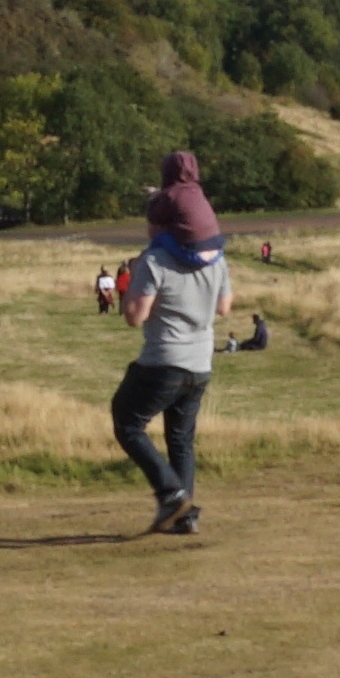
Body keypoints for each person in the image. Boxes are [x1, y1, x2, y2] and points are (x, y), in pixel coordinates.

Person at [109, 148, 231, 535]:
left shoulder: (154, 261)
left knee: (127, 421)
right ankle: (185, 516)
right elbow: (225, 307)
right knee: (181, 439)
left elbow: (135, 317)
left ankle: (171, 494)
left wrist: (130, 290)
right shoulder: (216, 258)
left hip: (164, 358)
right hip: (201, 361)